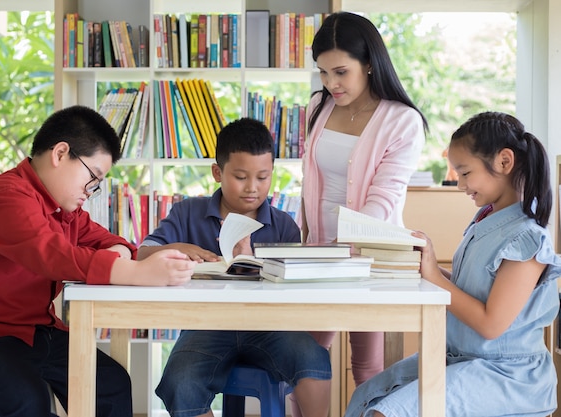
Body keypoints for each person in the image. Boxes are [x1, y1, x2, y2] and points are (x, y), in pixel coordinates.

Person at [0, 105, 197, 417]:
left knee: (111, 384)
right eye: (93, 177)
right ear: (60, 153)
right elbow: (53, 255)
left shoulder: (64, 210)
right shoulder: (4, 197)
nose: (92, 191)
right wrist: (136, 271)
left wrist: (123, 255)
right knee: (28, 401)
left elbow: (111, 240)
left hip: (30, 331)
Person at [346, 111, 561, 417]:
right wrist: (424, 265)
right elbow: (470, 289)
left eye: (465, 172)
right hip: (462, 359)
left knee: (387, 413)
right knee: (366, 397)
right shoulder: (485, 220)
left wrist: (434, 275)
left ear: (504, 162)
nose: (460, 184)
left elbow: (490, 323)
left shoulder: (527, 239)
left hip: (507, 376)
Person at [137, 117, 332, 417]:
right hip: (206, 327)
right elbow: (141, 254)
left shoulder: (283, 225)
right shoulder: (188, 213)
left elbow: (297, 290)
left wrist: (253, 263)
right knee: (180, 380)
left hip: (270, 327)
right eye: (240, 177)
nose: (252, 188)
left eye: (263, 177)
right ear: (218, 172)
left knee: (313, 358)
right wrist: (178, 249)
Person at [300, 10, 428, 402]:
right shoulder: (318, 106)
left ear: (369, 63)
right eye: (323, 73)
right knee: (304, 357)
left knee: (367, 365)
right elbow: (311, 181)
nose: (331, 83)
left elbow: (384, 198)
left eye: (340, 72)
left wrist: (344, 252)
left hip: (370, 257)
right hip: (316, 254)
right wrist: (312, 248)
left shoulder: (401, 121)